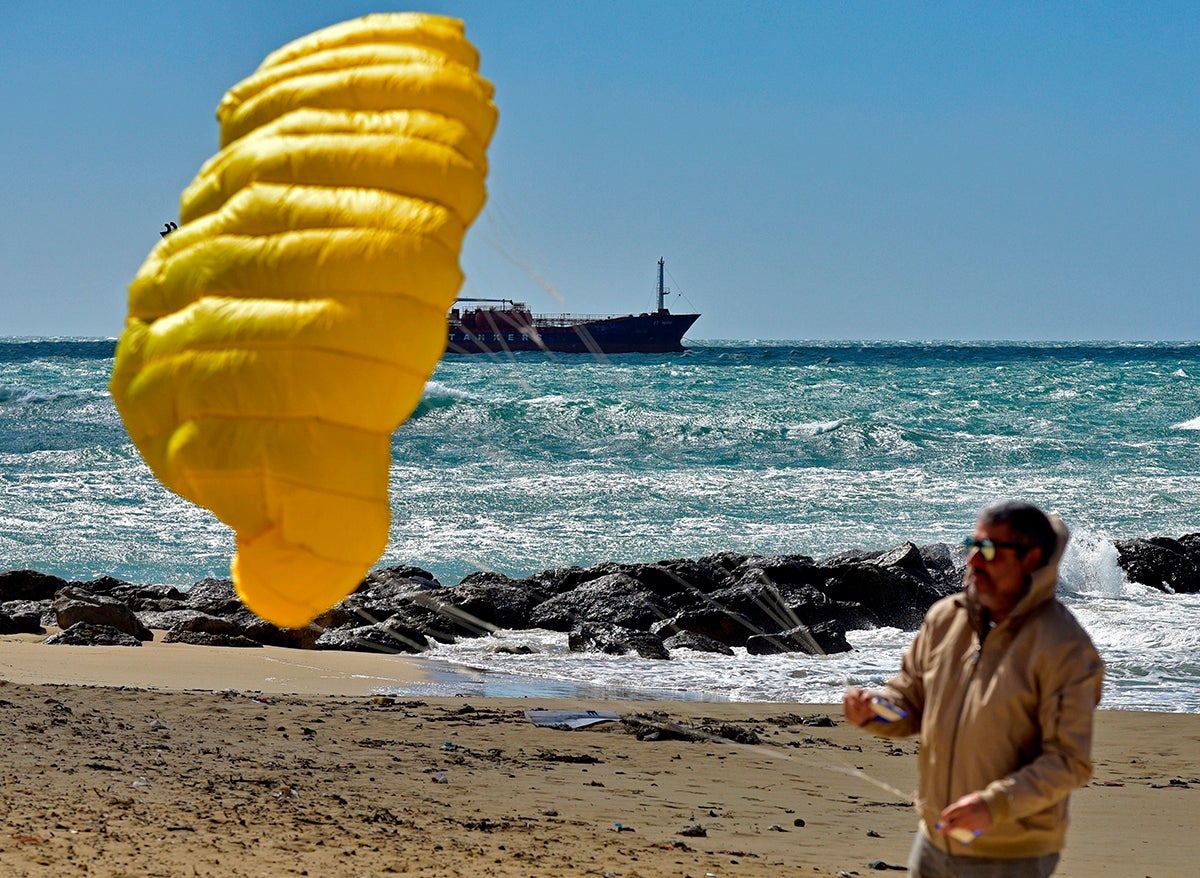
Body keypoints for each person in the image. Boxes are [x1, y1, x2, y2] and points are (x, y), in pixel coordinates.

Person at [843, 502, 1104, 877]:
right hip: (933, 840)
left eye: (990, 551)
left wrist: (993, 805)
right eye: (973, 546)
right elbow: (910, 703)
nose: (975, 562)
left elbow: (1068, 761)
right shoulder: (946, 617)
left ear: (1031, 558)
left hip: (1011, 854)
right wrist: (876, 711)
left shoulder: (1063, 646)